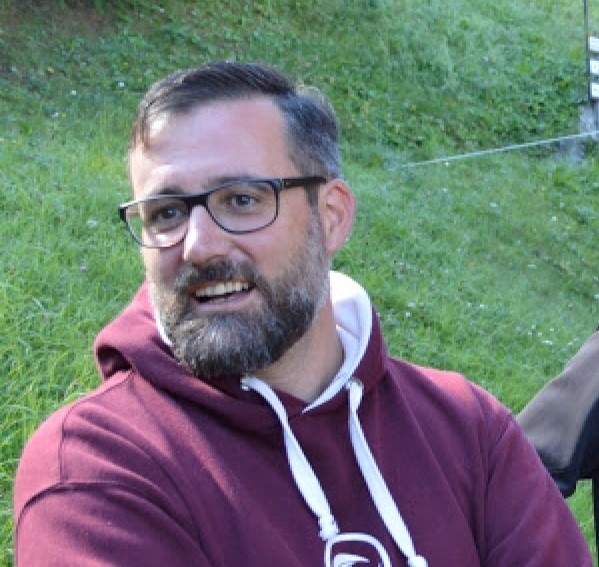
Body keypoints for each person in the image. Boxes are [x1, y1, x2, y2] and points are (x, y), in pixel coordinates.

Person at [14, 61, 591, 567]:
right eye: (166, 213)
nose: (198, 246)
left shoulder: (470, 430)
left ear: (331, 216)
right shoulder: (97, 469)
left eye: (242, 200)